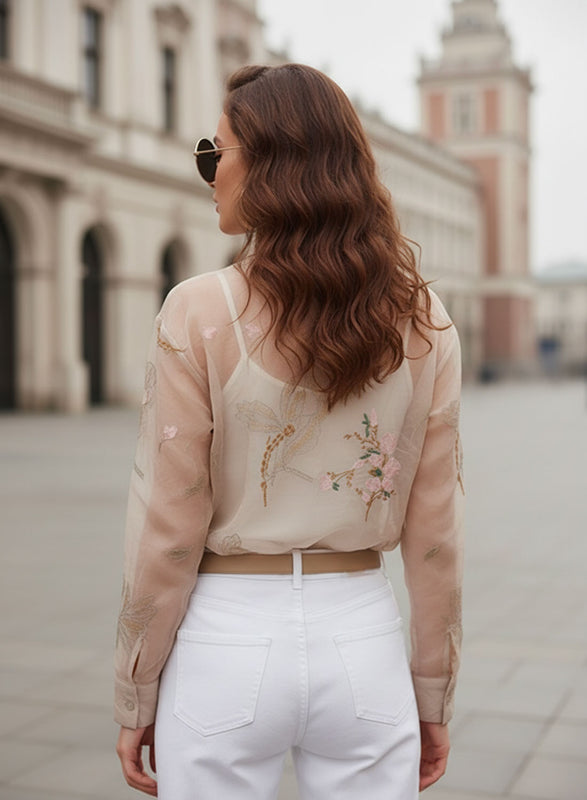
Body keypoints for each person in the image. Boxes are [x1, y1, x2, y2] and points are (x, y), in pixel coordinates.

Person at [115, 63, 464, 800]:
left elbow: (168, 524)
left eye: (216, 153)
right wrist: (431, 689)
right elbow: (435, 532)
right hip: (361, 635)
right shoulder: (424, 319)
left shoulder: (197, 309)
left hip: (225, 642)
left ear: (272, 164)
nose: (207, 174)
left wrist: (136, 688)